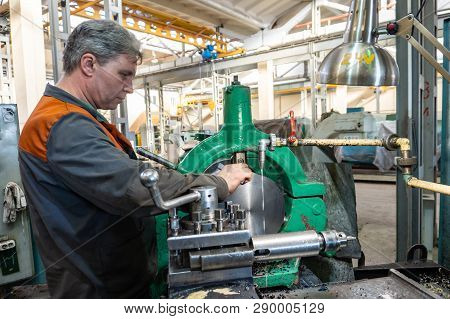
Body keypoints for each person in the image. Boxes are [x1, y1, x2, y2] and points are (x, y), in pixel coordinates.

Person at [18, 20, 252, 298]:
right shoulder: (62, 124)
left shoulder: (75, 117)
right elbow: (134, 187)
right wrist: (219, 183)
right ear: (89, 64)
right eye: (124, 74)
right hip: (98, 291)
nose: (130, 87)